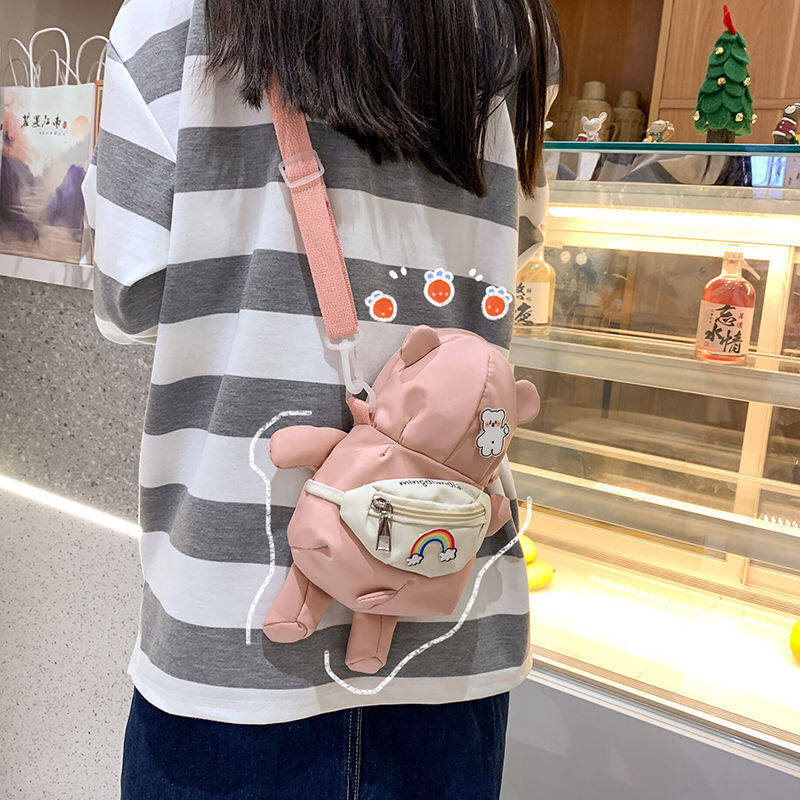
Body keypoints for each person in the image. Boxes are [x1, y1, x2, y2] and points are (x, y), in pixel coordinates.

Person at [82, 0, 561, 797]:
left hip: (232, 643)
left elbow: (125, 298)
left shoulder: (171, 16)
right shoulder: (517, 26)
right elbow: (516, 252)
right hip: (451, 636)